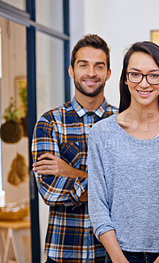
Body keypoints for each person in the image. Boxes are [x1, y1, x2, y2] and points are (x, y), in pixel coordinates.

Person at [87, 41, 159, 263]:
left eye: (153, 75)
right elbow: (98, 204)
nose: (144, 83)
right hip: (119, 254)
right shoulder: (102, 133)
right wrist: (118, 259)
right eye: (135, 74)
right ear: (125, 79)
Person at [31, 34, 117, 262]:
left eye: (99, 66)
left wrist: (70, 173)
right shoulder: (49, 122)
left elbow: (132, 188)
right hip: (63, 251)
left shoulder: (123, 122)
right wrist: (108, 187)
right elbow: (49, 191)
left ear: (108, 73)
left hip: (112, 253)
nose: (91, 73)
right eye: (83, 65)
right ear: (71, 71)